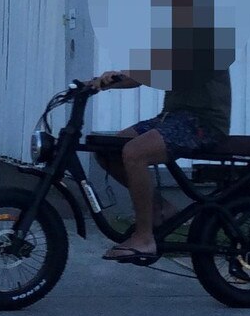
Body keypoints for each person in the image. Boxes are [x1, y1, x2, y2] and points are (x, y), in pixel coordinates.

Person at [87, 69, 231, 262]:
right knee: (108, 150)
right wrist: (100, 82)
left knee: (134, 152)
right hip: (171, 118)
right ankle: (161, 209)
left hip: (203, 123)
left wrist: (130, 74)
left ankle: (144, 238)